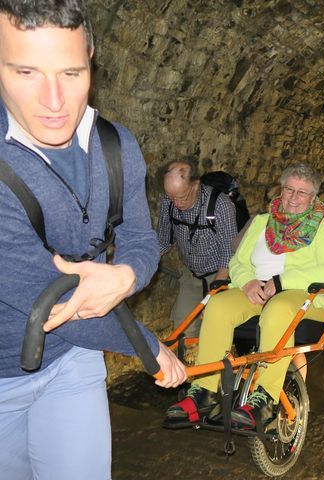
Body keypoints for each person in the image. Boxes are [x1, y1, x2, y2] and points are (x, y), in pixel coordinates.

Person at [0, 2, 187, 479]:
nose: (54, 100)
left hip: (71, 365)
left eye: (70, 72)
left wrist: (125, 275)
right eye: (26, 72)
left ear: (92, 61)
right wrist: (147, 346)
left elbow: (139, 237)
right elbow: (49, 304)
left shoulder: (115, 144)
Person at [165, 163, 324, 430]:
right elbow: (238, 261)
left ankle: (265, 399)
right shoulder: (262, 222)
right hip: (260, 290)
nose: (293, 198)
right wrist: (247, 282)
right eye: (289, 190)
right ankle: (205, 391)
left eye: (302, 193)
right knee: (218, 304)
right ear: (281, 190)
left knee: (278, 308)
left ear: (313, 197)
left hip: (307, 296)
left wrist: (281, 282)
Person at [156, 159, 237, 335]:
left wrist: (215, 292)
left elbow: (229, 254)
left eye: (182, 197)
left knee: (215, 329)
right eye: (171, 197)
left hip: (220, 276)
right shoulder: (168, 202)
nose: (176, 203)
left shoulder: (221, 205)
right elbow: (163, 241)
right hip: (191, 275)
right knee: (182, 330)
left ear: (195, 185)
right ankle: (185, 362)